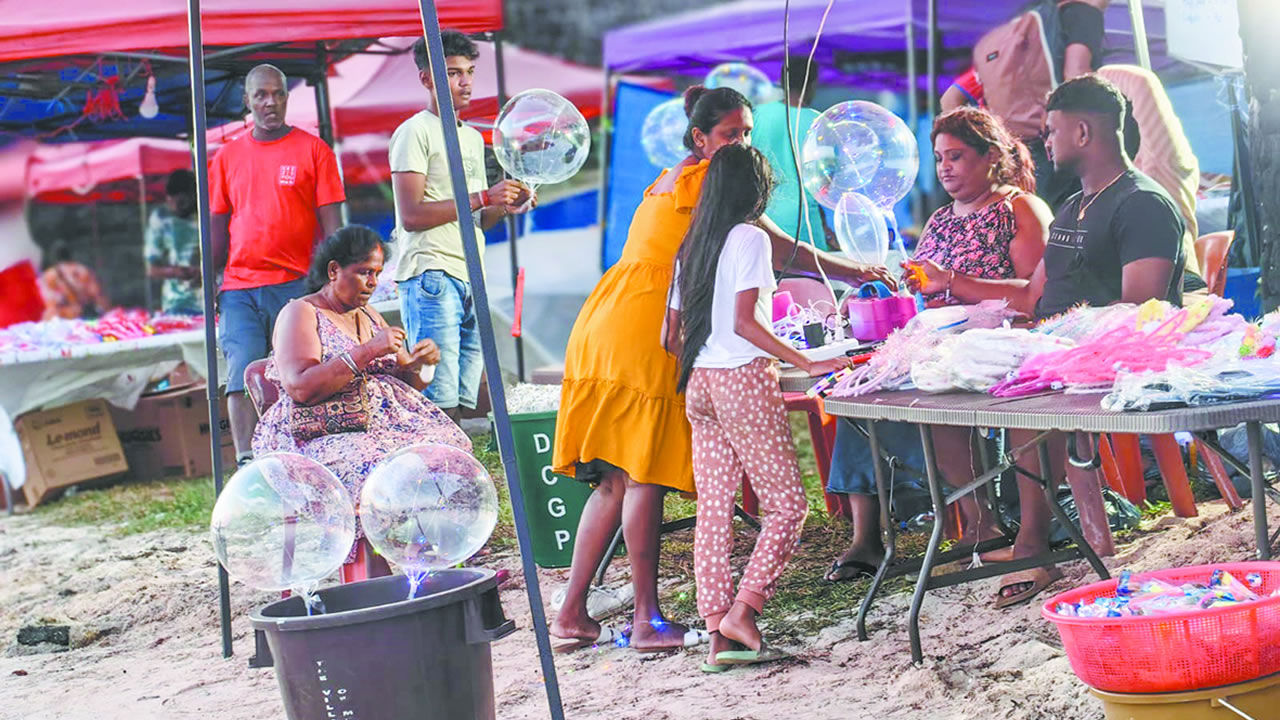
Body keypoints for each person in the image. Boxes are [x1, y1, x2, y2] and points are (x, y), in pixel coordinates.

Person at [549, 85, 894, 653]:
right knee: (644, 474)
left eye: (748, 133)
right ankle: (645, 621)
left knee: (617, 478)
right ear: (700, 139)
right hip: (650, 327)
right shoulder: (716, 185)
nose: (742, 144)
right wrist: (856, 272)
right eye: (731, 135)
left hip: (610, 318)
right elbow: (781, 248)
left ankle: (572, 614)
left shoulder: (668, 178)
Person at [910, 74, 1184, 606]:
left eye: (1053, 131)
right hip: (1053, 343)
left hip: (1112, 354)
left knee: (1026, 391)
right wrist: (954, 294)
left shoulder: (1142, 204)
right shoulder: (1074, 206)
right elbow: (1033, 297)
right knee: (935, 380)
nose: (1046, 142)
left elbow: (1139, 312)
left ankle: (1034, 545)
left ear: (1082, 131)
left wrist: (1049, 344)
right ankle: (983, 525)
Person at [825, 107, 1054, 582]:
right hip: (939, 337)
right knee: (856, 392)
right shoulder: (941, 220)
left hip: (995, 343)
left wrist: (952, 281)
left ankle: (979, 521)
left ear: (992, 156)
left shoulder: (1019, 209)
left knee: (930, 386)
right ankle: (869, 536)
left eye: (957, 156)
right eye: (939, 158)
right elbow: (927, 290)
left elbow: (1035, 296)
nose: (945, 167)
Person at [665, 144, 850, 671]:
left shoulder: (692, 244)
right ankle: (745, 608)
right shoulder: (748, 237)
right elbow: (749, 324)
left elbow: (670, 335)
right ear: (757, 192)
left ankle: (717, 630)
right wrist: (805, 362)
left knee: (715, 508)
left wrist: (709, 356)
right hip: (742, 380)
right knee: (789, 506)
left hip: (699, 382)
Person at [252, 225, 469, 578]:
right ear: (334, 270)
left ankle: (430, 561)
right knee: (377, 470)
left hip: (380, 425)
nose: (372, 282)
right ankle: (373, 577)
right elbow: (301, 388)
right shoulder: (300, 313)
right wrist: (368, 350)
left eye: (378, 274)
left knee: (447, 452)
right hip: (317, 434)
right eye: (364, 272)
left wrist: (422, 365)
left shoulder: (367, 315)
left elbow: (400, 380)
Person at [390, 32, 535, 423]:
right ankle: (445, 475)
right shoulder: (414, 131)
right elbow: (412, 215)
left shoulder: (472, 137)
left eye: (469, 72)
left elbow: (476, 218)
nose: (466, 82)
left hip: (471, 271)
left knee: (464, 394)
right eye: (453, 73)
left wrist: (505, 205)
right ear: (427, 79)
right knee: (439, 392)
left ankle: (459, 471)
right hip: (431, 271)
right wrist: (484, 197)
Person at [211, 63, 346, 468]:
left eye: (278, 94)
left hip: (296, 284)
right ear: (247, 102)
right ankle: (246, 462)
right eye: (261, 95)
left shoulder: (314, 150)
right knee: (241, 369)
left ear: (288, 97)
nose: (270, 102)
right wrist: (212, 282)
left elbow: (333, 228)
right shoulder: (227, 156)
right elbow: (217, 226)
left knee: (294, 372)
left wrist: (330, 284)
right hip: (239, 285)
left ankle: (298, 456)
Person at [1097, 64, 1205, 292]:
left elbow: (1142, 83)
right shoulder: (1104, 175)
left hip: (1176, 285)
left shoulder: (1163, 164)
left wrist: (1088, 80)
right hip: (1124, 288)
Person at [751, 56, 834, 250]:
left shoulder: (756, 115)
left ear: (781, 82)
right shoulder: (819, 122)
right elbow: (826, 179)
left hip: (763, 220)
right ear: (813, 83)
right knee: (809, 278)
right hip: (804, 225)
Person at [145, 169, 202, 316]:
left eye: (182, 203)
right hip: (177, 303)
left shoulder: (208, 214)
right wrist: (176, 272)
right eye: (172, 202)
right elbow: (151, 269)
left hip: (211, 300)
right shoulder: (161, 218)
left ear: (193, 196)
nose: (176, 207)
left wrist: (205, 271)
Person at [40, 241, 110, 320]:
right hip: (84, 315)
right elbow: (97, 295)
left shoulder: (50, 275)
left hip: (64, 317)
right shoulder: (82, 270)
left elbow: (50, 304)